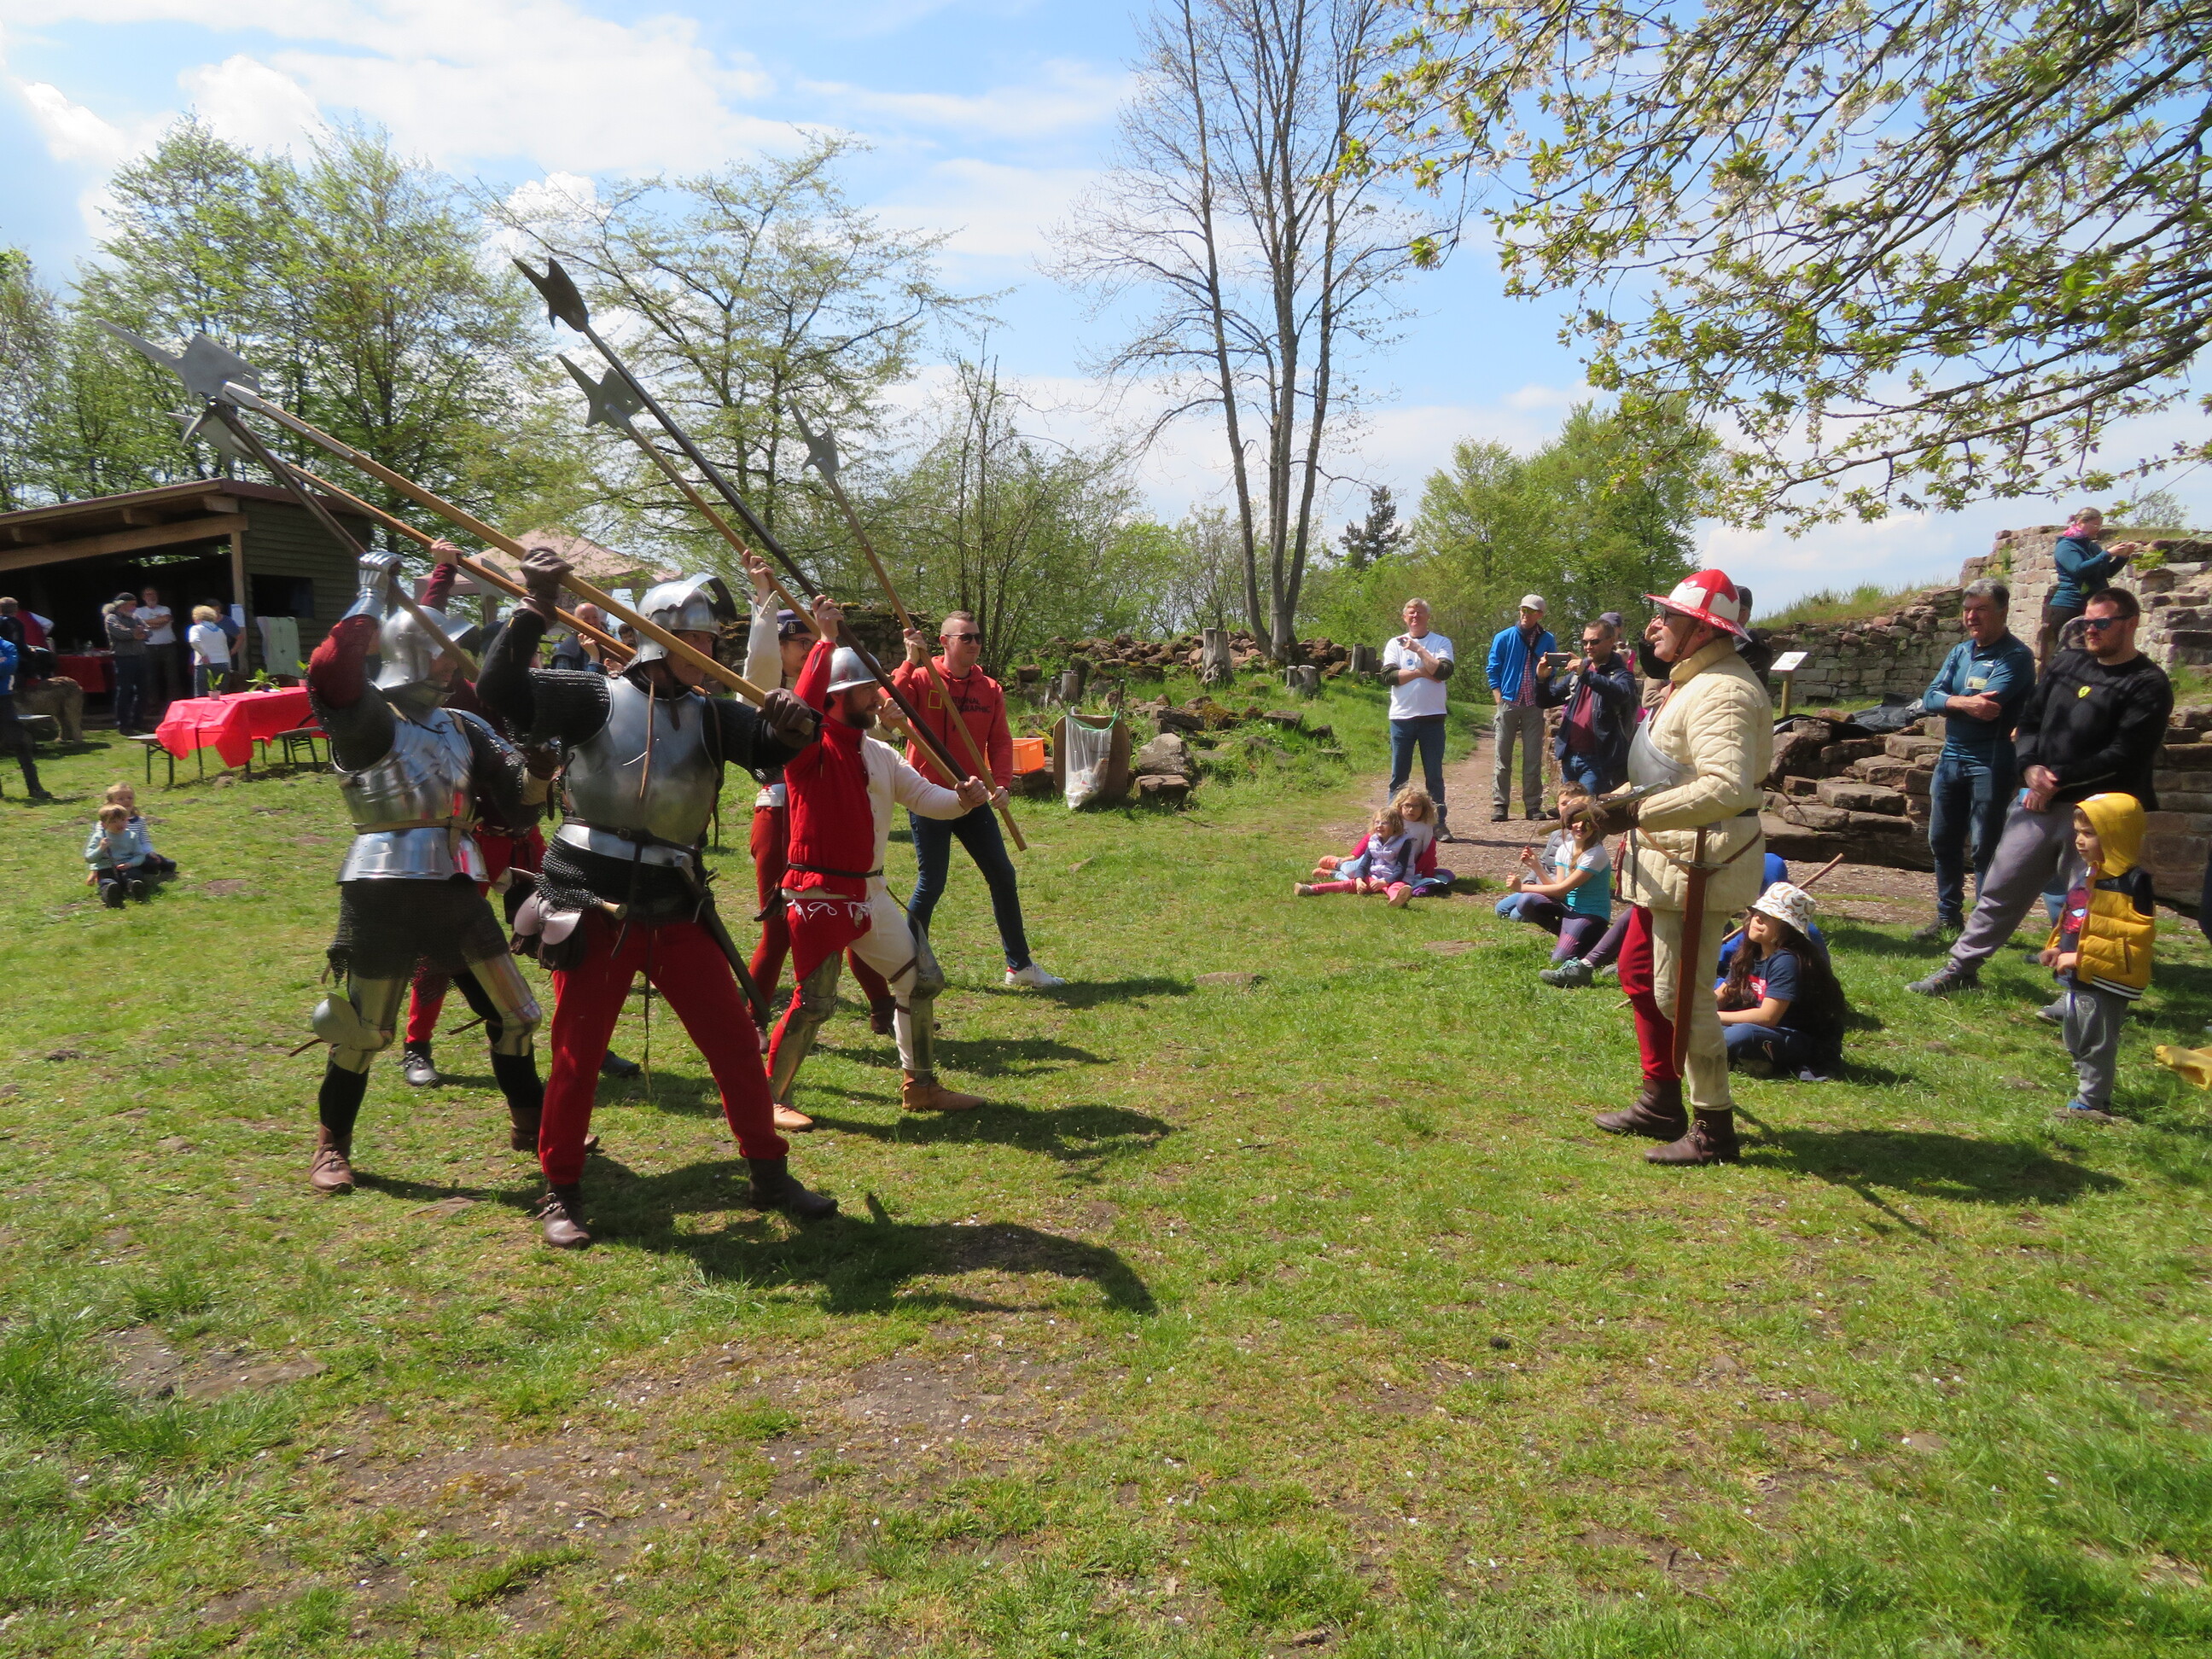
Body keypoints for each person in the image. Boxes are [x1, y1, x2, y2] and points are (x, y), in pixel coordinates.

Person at [480, 552, 831, 1244]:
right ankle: (561, 1190)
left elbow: (774, 745)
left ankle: (768, 1172)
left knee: (734, 1043)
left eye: (710, 641)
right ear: (656, 639)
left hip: (674, 901)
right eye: (693, 639)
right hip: (592, 899)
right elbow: (501, 689)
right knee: (578, 1053)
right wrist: (536, 603)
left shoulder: (710, 715)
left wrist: (796, 720)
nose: (707, 652)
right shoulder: (592, 697)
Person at [298, 550, 558, 1206]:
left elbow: (514, 801)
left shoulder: (464, 725)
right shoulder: (369, 717)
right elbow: (328, 670)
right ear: (411, 652)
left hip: (455, 884)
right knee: (363, 1033)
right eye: (443, 651)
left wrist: (537, 772)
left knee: (517, 1017)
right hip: (382, 887)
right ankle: (332, 1146)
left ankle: (535, 1128)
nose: (454, 662)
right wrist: (369, 591)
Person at [766, 597, 997, 1126]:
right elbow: (803, 710)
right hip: (820, 895)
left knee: (920, 979)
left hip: (869, 892)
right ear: (839, 695)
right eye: (868, 689)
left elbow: (925, 799)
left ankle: (920, 1086)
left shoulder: (880, 753)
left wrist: (963, 800)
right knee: (815, 1002)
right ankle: (769, 1098)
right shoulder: (809, 750)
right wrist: (825, 642)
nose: (878, 696)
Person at [1577, 569, 1772, 1166]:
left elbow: (1725, 787)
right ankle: (1661, 1100)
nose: (1654, 625)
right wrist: (1610, 804)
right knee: (1639, 971)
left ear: (1703, 630)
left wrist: (1632, 814)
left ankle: (1714, 1128)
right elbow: (1669, 775)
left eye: (1669, 617)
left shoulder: (1724, 692)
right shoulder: (1694, 681)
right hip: (1670, 862)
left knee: (1681, 996)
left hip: (1699, 863)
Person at [1910, 587, 2172, 998]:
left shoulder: (2148, 683)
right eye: (2086, 622)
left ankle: (2076, 992)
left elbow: (2126, 753)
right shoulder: (2067, 663)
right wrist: (2030, 768)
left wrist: (2055, 780)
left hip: (2098, 813)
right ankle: (1960, 969)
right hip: (2037, 798)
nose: (2091, 630)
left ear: (2131, 624)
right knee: (2000, 887)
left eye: (2102, 623)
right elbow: (2030, 720)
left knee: (2087, 903)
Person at [741, 555, 900, 1050]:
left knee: (855, 911)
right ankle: (752, 1020)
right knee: (779, 928)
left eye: (814, 642)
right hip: (782, 811)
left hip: (829, 816)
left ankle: (884, 1009)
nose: (811, 649)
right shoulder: (768, 688)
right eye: (801, 642)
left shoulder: (831, 683)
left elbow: (859, 740)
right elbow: (762, 661)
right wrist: (765, 598)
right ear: (781, 645)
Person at [895, 610, 1065, 987]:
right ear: (944, 642)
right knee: (932, 882)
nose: (974, 643)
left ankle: (1019, 966)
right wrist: (908, 661)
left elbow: (1000, 741)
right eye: (966, 637)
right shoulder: (922, 678)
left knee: (1002, 874)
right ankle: (907, 965)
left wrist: (1001, 783)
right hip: (929, 795)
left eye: (977, 637)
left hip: (973, 795)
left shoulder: (989, 688)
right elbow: (885, 705)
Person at [1914, 578, 2037, 943]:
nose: (1971, 617)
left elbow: (1990, 706)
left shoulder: (2016, 656)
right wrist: (1963, 702)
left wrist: (1949, 700)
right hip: (1951, 756)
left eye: (1981, 609)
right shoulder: (1960, 652)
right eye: (1967, 610)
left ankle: (1984, 928)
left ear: (2002, 612)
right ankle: (1948, 916)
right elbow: (1929, 697)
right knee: (1942, 839)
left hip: (1991, 759)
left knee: (1985, 845)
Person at [2041, 794, 2155, 1122]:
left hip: (2107, 978)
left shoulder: (2133, 882)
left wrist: (2081, 955)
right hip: (2080, 975)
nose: (2079, 840)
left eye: (2090, 833)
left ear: (2117, 835)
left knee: (2096, 1041)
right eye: (2078, 832)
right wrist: (2057, 947)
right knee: (2075, 1035)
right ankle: (2087, 1084)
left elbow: (2133, 937)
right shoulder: (2089, 875)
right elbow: (2074, 919)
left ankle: (2093, 1101)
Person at [1716, 882, 1847, 1080]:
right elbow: (1723, 994)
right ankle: (1750, 1058)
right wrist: (1691, 1012)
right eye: (1757, 912)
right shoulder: (1750, 952)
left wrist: (1711, 1018)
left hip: (1796, 1037)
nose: (1758, 918)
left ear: (1788, 928)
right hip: (1764, 1030)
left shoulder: (1787, 960)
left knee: (1738, 1035)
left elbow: (1768, 1017)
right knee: (1698, 1023)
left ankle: (1753, 1057)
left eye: (1769, 916)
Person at [1494, 783, 1611, 965]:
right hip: (1568, 908)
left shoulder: (1595, 853)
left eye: (1587, 821)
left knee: (1559, 960)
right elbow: (1559, 891)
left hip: (1589, 913)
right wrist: (1536, 867)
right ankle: (1570, 936)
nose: (1580, 826)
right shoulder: (1565, 848)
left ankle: (1597, 940)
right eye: (1575, 821)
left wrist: (1521, 887)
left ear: (1595, 825)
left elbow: (1561, 890)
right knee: (1526, 901)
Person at [1538, 614, 1638, 794]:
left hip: (1598, 761)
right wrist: (1541, 680)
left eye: (1594, 642)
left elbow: (1621, 694)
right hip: (1570, 757)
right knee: (1569, 807)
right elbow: (1546, 700)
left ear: (1611, 641)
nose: (1588, 647)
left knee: (1585, 809)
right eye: (1585, 642)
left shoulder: (1621, 675)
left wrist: (1586, 674)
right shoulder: (1578, 674)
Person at [1382, 598, 1457, 836]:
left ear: (1428, 616)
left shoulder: (1441, 642)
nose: (1415, 616)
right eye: (1411, 613)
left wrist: (1419, 650)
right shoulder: (1394, 643)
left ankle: (1437, 824)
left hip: (1432, 718)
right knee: (1399, 776)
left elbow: (1443, 671)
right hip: (1401, 718)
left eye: (1420, 612)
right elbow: (1389, 676)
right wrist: (1422, 672)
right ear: (1404, 617)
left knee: (1434, 776)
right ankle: (1393, 824)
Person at [1486, 594, 1555, 820]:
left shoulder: (1548, 639)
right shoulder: (1504, 637)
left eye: (1531, 611)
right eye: (1523, 609)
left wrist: (1545, 683)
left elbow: (1553, 669)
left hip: (1534, 704)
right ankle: (1500, 804)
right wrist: (1498, 696)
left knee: (1533, 758)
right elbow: (1493, 667)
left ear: (1540, 615)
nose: (1526, 614)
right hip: (1509, 701)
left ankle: (1533, 806)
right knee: (1502, 758)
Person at [2040, 509, 2133, 664]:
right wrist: (2107, 554)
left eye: (2100, 525)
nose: (2098, 529)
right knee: (2069, 654)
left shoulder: (2092, 547)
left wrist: (2122, 557)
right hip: (2070, 605)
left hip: (2093, 606)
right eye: (2095, 525)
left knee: (2093, 654)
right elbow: (2078, 569)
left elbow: (2106, 572)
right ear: (2081, 523)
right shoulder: (2066, 546)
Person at [1297, 795, 1424, 905]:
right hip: (1375, 878)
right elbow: (1364, 864)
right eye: (1377, 822)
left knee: (1396, 888)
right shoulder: (1373, 841)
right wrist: (1359, 880)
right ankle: (1310, 889)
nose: (1379, 826)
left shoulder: (1405, 842)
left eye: (1385, 823)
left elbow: (1401, 870)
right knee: (1349, 884)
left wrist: (1385, 882)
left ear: (1395, 825)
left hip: (1396, 879)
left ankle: (1396, 900)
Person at [0, 632, 54, 801]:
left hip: (3, 700)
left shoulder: (7, 646)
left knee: (19, 742)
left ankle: (35, 788)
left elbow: (9, 667)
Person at [84, 804, 157, 905]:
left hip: (127, 866)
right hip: (106, 867)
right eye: (113, 821)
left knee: (133, 875)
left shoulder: (131, 836)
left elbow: (140, 855)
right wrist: (101, 848)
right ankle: (111, 893)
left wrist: (131, 864)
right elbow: (89, 858)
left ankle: (134, 888)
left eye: (123, 820)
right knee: (106, 880)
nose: (119, 824)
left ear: (127, 820)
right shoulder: (99, 837)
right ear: (104, 825)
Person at [102, 783, 175, 876]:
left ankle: (161, 869)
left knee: (161, 862)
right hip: (119, 856)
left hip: (138, 854)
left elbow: (144, 840)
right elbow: (99, 844)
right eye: (121, 799)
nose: (127, 801)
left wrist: (150, 852)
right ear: (111, 803)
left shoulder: (139, 820)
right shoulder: (107, 823)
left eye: (130, 798)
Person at [104, 594, 148, 734]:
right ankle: (123, 724)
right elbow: (121, 634)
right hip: (123, 659)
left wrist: (138, 633)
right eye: (132, 605)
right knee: (124, 691)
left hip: (140, 657)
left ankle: (137, 722)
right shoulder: (112, 618)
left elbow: (148, 632)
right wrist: (134, 633)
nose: (134, 607)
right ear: (122, 605)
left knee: (142, 691)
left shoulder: (136, 617)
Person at [138, 587, 179, 717]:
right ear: (143, 597)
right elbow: (138, 626)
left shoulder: (165, 609)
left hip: (168, 646)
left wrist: (146, 623)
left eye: (153, 594)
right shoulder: (139, 611)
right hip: (148, 647)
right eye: (148, 594)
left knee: (172, 676)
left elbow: (165, 620)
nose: (151, 596)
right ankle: (153, 706)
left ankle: (173, 705)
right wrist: (156, 622)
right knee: (150, 677)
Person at [186, 605, 231, 698]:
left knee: (202, 697)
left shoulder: (196, 629)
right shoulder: (220, 631)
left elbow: (193, 641)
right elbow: (225, 649)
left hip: (204, 665)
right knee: (222, 696)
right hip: (222, 664)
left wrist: (203, 654)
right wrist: (229, 666)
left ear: (197, 617)